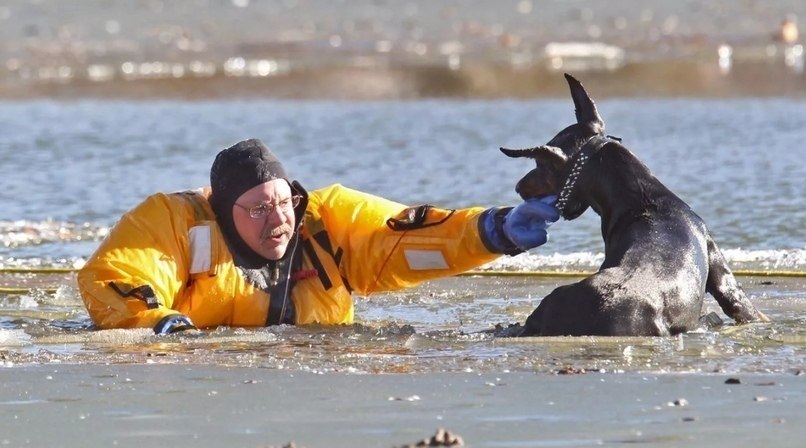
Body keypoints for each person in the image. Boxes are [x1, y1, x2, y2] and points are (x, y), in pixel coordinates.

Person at [77, 139, 559, 334]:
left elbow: (404, 239)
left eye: (283, 201)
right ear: (225, 210)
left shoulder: (326, 222)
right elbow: (116, 277)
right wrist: (157, 324)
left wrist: (494, 230)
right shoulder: (173, 221)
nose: (278, 219)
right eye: (260, 208)